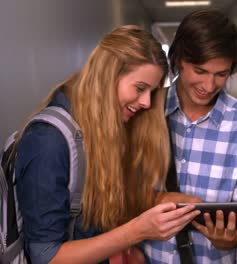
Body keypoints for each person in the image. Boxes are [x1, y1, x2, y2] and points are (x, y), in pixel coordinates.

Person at [14, 25, 200, 264]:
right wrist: (137, 232)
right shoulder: (48, 140)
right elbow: (46, 257)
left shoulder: (104, 128)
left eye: (152, 92)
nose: (146, 102)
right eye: (140, 88)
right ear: (107, 76)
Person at [144, 8, 237, 263]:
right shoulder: (144, 110)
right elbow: (113, 194)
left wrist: (235, 238)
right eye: (200, 71)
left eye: (221, 74)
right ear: (179, 59)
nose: (209, 86)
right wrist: (157, 199)